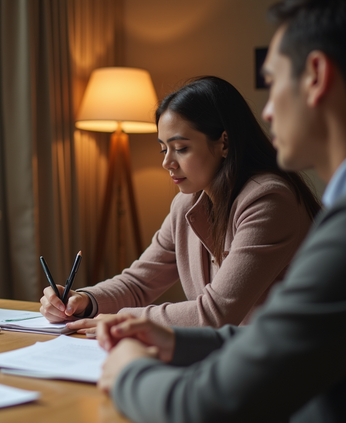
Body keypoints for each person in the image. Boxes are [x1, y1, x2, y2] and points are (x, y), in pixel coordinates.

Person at [96, 0, 346, 421]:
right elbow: (273, 340)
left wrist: (128, 373)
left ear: (316, 77)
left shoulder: (280, 202)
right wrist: (90, 302)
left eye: (272, 81)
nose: (266, 111)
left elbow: (207, 403)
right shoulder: (188, 205)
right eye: (164, 149)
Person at [40, 75, 321, 329]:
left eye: (181, 148)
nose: (167, 163)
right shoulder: (187, 205)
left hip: (294, 368)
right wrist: (84, 301)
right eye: (163, 149)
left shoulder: (268, 200)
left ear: (224, 143)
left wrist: (121, 320)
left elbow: (216, 314)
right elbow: (138, 283)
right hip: (232, 357)